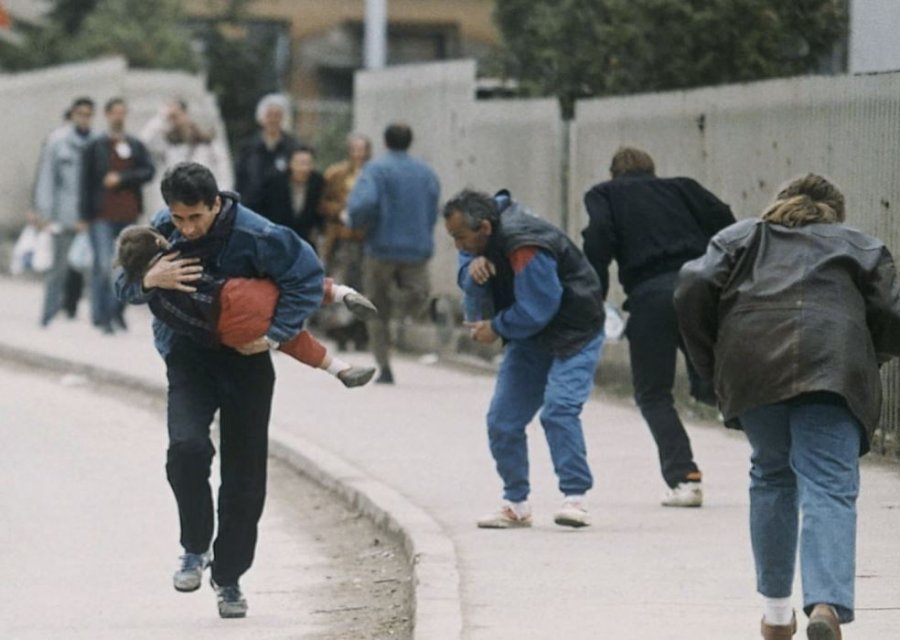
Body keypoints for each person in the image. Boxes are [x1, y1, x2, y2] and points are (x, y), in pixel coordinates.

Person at [674, 174, 900, 640]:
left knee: (772, 476)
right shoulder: (861, 246)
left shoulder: (741, 238)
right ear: (833, 214)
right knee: (829, 485)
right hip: (832, 368)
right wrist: (863, 357)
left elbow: (692, 283)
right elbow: (893, 315)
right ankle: (825, 607)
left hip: (753, 366)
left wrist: (712, 360)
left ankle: (777, 615)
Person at [115, 162, 323, 619]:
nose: (186, 229)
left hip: (247, 359)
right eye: (178, 218)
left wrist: (275, 334)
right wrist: (149, 280)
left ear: (215, 203)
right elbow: (121, 284)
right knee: (186, 449)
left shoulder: (259, 235)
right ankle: (194, 546)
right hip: (187, 358)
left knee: (244, 480)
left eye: (196, 217)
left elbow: (308, 279)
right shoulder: (161, 230)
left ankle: (229, 578)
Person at [581, 145, 735, 507]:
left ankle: (685, 478)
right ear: (652, 170)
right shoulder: (683, 187)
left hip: (651, 297)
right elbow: (727, 222)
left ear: (614, 173)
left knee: (653, 393)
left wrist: (596, 298)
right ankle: (781, 460)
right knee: (718, 380)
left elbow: (598, 240)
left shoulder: (605, 193)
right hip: (699, 290)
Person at [443, 189, 605, 529]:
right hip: (529, 338)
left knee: (559, 409)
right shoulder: (479, 242)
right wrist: (472, 271)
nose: (458, 246)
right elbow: (468, 282)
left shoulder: (524, 244)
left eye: (461, 237)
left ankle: (575, 499)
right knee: (503, 420)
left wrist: (496, 327)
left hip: (574, 331)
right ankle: (515, 504)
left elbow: (538, 307)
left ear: (484, 227)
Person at [115, 224, 376, 387]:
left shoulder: (158, 302)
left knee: (292, 341)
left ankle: (339, 369)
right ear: (159, 241)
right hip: (234, 294)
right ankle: (340, 293)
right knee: (282, 291)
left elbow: (126, 289)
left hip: (225, 330)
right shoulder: (181, 249)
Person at [347, 123, 440, 383]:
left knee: (375, 307)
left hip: (380, 248)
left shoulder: (375, 170)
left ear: (385, 143)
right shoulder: (426, 173)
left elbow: (363, 203)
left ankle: (384, 366)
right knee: (419, 293)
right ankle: (403, 311)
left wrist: (357, 224)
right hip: (416, 248)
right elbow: (434, 209)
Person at [81, 97, 154, 334]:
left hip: (128, 213)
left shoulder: (134, 144)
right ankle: (102, 316)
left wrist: (123, 179)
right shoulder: (95, 145)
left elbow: (148, 171)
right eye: (115, 112)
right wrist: (83, 215)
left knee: (128, 266)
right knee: (104, 265)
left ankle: (116, 313)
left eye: (123, 112)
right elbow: (85, 181)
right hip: (101, 214)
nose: (119, 117)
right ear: (107, 114)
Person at [33, 97, 94, 326]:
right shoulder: (57, 142)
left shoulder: (96, 142)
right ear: (73, 115)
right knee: (57, 268)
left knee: (94, 270)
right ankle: (47, 316)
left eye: (88, 114)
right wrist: (45, 214)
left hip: (91, 217)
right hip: (63, 215)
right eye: (80, 114)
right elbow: (47, 178)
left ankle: (99, 321)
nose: (84, 119)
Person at [319, 133, 372, 351]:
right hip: (341, 238)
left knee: (364, 284)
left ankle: (360, 329)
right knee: (340, 282)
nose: (358, 154)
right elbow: (323, 203)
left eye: (362, 149)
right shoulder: (336, 174)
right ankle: (339, 328)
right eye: (355, 149)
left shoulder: (373, 175)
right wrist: (339, 210)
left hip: (366, 239)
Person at [140, 98, 233, 214]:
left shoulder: (208, 143)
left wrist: (220, 197)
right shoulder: (167, 144)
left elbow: (224, 172)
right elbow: (144, 143)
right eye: (170, 118)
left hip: (206, 202)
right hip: (179, 204)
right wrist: (161, 118)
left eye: (176, 115)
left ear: (185, 114)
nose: (174, 120)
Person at [234, 93, 302, 224]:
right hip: (251, 212)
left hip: (282, 216)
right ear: (261, 118)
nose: (273, 120)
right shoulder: (247, 148)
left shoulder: (293, 148)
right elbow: (240, 180)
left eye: (277, 115)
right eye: (269, 115)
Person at [260, 145, 325, 246]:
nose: (304, 168)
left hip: (306, 241)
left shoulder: (318, 182)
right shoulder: (274, 183)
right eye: (301, 164)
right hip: (279, 238)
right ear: (291, 164)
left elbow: (321, 209)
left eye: (308, 163)